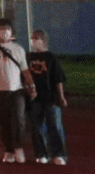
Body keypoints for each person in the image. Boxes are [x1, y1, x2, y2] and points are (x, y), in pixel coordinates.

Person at [0, 17, 35, 163]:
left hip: (17, 91)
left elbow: (25, 70)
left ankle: (18, 148)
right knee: (3, 123)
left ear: (12, 31)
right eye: (2, 29)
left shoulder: (18, 49)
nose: (5, 32)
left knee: (20, 120)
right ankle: (8, 150)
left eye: (7, 29)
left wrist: (32, 86)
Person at [26, 30, 69, 165]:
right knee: (36, 126)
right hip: (34, 97)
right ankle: (40, 153)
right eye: (32, 38)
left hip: (50, 97)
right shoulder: (28, 57)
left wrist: (61, 96)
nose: (34, 41)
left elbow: (58, 79)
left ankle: (58, 154)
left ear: (44, 41)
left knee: (54, 124)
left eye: (37, 38)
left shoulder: (51, 57)